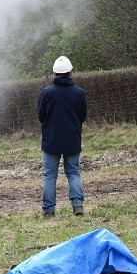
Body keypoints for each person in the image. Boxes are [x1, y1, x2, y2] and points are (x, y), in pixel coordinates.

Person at [37, 56, 88, 217]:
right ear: (70, 72)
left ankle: (49, 210)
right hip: (72, 139)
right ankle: (77, 205)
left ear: (54, 73)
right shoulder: (79, 93)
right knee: (73, 173)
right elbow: (83, 116)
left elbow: (41, 116)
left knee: (49, 175)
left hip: (51, 140)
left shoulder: (46, 93)